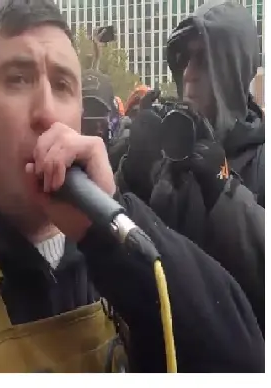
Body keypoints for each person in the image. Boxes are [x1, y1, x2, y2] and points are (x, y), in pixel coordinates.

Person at [0, 0, 263, 373]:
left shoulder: (119, 254)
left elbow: (244, 359)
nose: (45, 111)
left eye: (62, 86)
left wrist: (115, 215)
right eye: (17, 79)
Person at [122, 0, 265, 334]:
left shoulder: (262, 157)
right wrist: (130, 175)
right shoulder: (172, 153)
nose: (188, 73)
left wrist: (224, 190)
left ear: (232, 69)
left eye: (204, 59)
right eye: (184, 59)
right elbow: (117, 259)